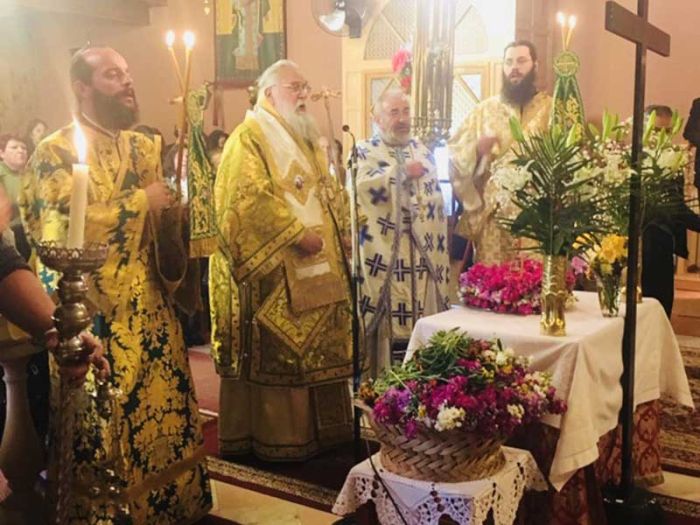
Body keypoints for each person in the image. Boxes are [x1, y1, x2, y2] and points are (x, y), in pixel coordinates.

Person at [20, 47, 211, 523]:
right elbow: (58, 233)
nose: (127, 81)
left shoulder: (144, 146)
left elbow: (160, 232)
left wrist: (179, 214)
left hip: (152, 308)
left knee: (166, 412)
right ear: (82, 88)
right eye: (111, 75)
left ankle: (173, 507)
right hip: (95, 314)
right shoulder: (55, 152)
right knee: (103, 423)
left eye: (127, 72)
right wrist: (141, 202)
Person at [209, 59, 354, 461]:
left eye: (306, 86)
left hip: (319, 265)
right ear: (269, 92)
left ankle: (327, 431)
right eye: (295, 87)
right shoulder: (248, 137)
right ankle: (278, 438)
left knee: (320, 345)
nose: (304, 94)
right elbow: (244, 198)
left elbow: (326, 187)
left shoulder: (304, 137)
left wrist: (342, 227)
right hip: (274, 270)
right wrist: (295, 234)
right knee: (282, 349)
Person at [355, 89, 449, 373]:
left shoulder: (423, 151)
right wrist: (399, 173)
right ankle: (384, 386)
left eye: (406, 111)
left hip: (422, 255)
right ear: (377, 119)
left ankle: (426, 385)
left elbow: (435, 201)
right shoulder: (364, 151)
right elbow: (360, 189)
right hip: (386, 255)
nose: (402, 119)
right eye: (394, 112)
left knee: (424, 318)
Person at [449, 40, 552, 264]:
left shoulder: (550, 109)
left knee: (532, 278)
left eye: (521, 61)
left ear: (535, 65)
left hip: (536, 219)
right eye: (509, 62)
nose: (514, 67)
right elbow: (455, 155)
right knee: (492, 280)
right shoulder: (484, 110)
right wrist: (476, 150)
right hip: (493, 217)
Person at [642, 105, 700, 316]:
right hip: (641, 240)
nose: (661, 137)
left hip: (662, 240)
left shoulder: (672, 163)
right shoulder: (630, 160)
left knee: (663, 303)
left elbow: (676, 207)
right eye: (656, 130)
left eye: (667, 131)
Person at [0, 134, 31, 260]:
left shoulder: (30, 175)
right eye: (14, 147)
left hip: (29, 232)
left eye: (24, 148)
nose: (20, 151)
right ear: (1, 153)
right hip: (9, 236)